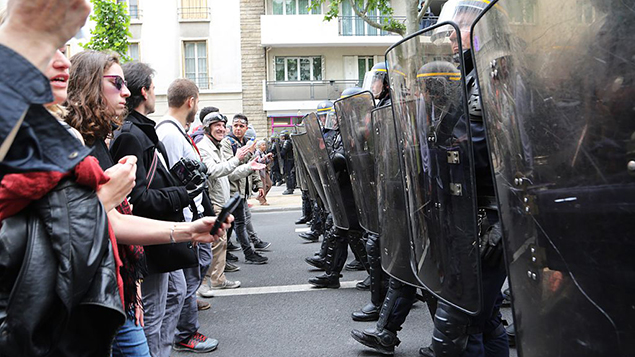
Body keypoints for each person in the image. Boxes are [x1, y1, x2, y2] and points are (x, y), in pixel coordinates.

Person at [154, 78, 219, 353]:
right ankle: (184, 333)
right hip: (184, 220)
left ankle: (184, 329)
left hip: (191, 217)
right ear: (191, 101)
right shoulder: (169, 134)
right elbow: (170, 181)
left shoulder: (176, 131)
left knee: (194, 274)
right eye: (198, 101)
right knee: (183, 284)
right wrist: (186, 225)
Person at [197, 111, 266, 291]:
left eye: (222, 125)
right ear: (207, 128)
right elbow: (214, 171)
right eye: (216, 125)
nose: (221, 129)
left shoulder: (217, 145)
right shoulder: (205, 147)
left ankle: (218, 280)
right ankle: (203, 283)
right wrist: (238, 159)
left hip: (223, 199)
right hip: (213, 200)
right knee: (210, 244)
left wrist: (248, 167)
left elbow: (230, 173)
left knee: (221, 242)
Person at [221, 114, 270, 264]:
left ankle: (225, 251)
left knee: (230, 223)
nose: (238, 129)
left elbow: (253, 167)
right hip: (231, 191)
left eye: (241, 126)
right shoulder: (227, 144)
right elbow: (230, 170)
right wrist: (248, 154)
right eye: (235, 125)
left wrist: (259, 185)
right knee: (239, 222)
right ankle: (248, 253)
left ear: (246, 128)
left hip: (242, 190)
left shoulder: (246, 144)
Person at [254, 139, 274, 205]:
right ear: (259, 146)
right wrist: (266, 156)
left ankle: (260, 197)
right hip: (260, 171)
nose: (265, 146)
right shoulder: (257, 152)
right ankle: (262, 200)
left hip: (265, 170)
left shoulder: (263, 153)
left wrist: (269, 159)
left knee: (269, 184)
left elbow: (265, 162)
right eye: (263, 145)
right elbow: (259, 160)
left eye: (265, 145)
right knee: (263, 186)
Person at [280, 130, 295, 195]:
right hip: (290, 159)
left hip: (288, 160)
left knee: (288, 174)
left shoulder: (287, 142)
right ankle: (291, 187)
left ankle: (289, 188)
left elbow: (283, 152)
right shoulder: (290, 141)